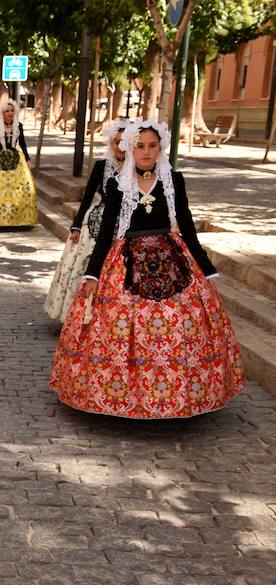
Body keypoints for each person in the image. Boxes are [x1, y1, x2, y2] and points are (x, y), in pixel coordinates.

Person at [50, 119, 245, 418]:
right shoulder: (118, 184)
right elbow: (106, 233)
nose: (146, 151)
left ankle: (176, 395)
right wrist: (92, 273)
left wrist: (205, 268)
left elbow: (187, 226)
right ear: (130, 147)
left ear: (161, 147)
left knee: (179, 323)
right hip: (125, 258)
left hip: (172, 259)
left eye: (152, 146)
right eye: (140, 146)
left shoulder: (174, 180)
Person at [44, 119, 128, 321]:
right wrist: (76, 226)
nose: (120, 147)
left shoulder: (136, 168)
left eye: (125, 142)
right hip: (97, 224)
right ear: (111, 143)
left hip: (125, 227)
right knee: (85, 267)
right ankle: (78, 316)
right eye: (116, 142)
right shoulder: (101, 166)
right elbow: (87, 196)